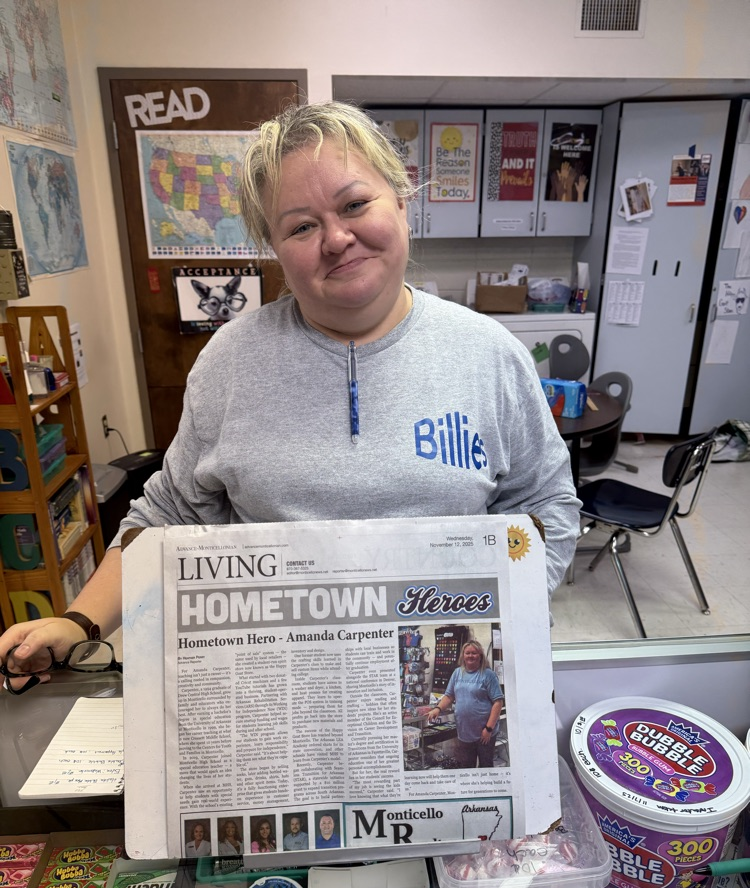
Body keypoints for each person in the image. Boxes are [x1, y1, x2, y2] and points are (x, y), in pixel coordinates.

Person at [0, 100, 580, 695]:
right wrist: (76, 621)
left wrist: (504, 619)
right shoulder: (229, 361)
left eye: (355, 204)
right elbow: (166, 516)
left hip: (445, 670)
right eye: (300, 226)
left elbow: (546, 505)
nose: (336, 238)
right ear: (274, 247)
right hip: (283, 693)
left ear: (402, 201)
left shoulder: (490, 353)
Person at [427, 640, 504, 769]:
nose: (470, 656)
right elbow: (449, 695)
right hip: (464, 733)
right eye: (467, 653)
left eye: (474, 653)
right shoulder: (457, 673)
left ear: (480, 655)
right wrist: (438, 708)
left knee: (486, 768)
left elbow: (498, 702)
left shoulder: (488, 675)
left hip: (484, 733)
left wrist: (488, 729)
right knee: (466, 767)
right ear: (463, 655)